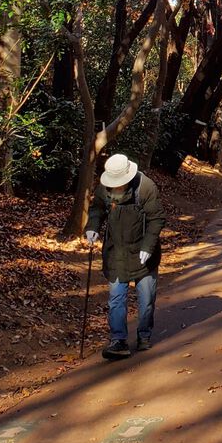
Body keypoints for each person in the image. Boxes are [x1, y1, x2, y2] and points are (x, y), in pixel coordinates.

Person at [85, 152, 165, 360]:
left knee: (146, 299)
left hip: (143, 254)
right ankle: (118, 340)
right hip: (116, 252)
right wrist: (92, 227)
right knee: (116, 299)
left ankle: (144, 335)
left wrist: (148, 247)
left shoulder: (146, 187)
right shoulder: (104, 189)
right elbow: (97, 210)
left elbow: (157, 219)